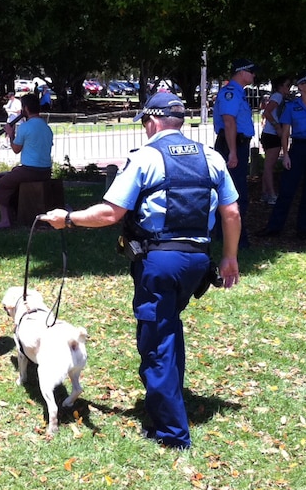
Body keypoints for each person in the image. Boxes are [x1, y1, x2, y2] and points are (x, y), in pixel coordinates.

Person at [40, 92, 241, 449]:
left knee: (157, 343)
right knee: (169, 327)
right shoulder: (211, 157)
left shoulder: (146, 158)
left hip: (159, 262)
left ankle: (172, 433)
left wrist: (67, 219)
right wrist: (230, 257)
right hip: (197, 260)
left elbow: (110, 213)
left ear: (152, 122)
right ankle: (170, 400)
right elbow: (232, 212)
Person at [258, 71, 306, 240]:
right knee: (287, 189)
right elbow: (285, 133)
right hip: (298, 148)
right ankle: (274, 227)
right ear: (300, 87)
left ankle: (302, 229)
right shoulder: (291, 106)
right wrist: (286, 155)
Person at [0, 93, 53, 228]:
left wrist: (11, 133)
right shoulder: (46, 127)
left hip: (30, 171)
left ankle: (5, 221)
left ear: (25, 109)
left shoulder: (25, 127)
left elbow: (15, 149)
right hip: (46, 171)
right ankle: (16, 213)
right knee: (4, 176)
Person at [213, 58, 257, 248]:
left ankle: (226, 234)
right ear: (241, 72)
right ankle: (232, 237)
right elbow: (229, 122)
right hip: (232, 144)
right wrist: (232, 152)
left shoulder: (239, 93)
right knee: (235, 192)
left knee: (234, 191)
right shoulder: (231, 93)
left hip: (236, 144)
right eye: (252, 71)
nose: (254, 75)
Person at [259, 76, 291, 205]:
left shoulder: (281, 98)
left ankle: (265, 193)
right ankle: (271, 194)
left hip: (270, 134)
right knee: (269, 166)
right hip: (272, 135)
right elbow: (266, 112)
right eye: (287, 85)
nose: (289, 88)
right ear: (280, 86)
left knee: (268, 165)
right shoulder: (277, 96)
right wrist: (277, 126)